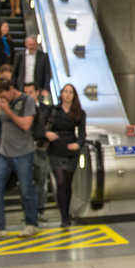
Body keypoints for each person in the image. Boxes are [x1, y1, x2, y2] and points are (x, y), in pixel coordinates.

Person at [0, 79, 39, 240]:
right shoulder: (1, 103)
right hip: (3, 152)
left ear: (11, 88)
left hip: (23, 152)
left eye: (3, 95)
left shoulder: (26, 101)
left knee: (27, 190)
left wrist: (7, 109)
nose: (2, 99)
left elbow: (26, 125)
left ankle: (31, 223)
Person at [45, 84, 86, 227]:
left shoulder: (79, 112)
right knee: (60, 182)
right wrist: (46, 134)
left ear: (74, 96)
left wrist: (78, 144)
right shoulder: (53, 111)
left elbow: (82, 133)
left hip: (71, 150)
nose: (67, 94)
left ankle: (66, 211)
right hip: (55, 149)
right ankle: (64, 217)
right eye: (65, 92)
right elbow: (41, 125)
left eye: (70, 92)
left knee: (67, 184)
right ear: (61, 94)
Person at [24, 82, 51, 222]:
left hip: (41, 148)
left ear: (37, 93)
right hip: (25, 149)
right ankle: (27, 212)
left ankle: (40, 210)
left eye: (30, 92)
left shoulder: (46, 109)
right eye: (26, 93)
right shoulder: (21, 110)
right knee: (26, 181)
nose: (28, 95)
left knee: (41, 182)